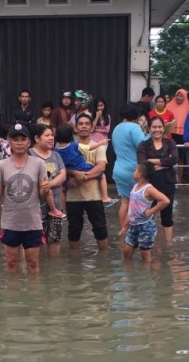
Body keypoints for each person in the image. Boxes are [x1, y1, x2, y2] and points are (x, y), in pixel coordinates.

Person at [0, 122, 49, 273]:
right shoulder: (1, 165)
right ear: (9, 142)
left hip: (32, 222)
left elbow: (42, 193)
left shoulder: (39, 163)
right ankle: (11, 296)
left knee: (33, 263)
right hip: (10, 222)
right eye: (15, 139)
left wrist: (46, 189)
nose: (19, 143)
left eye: (23, 139)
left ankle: (34, 294)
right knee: (11, 263)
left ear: (29, 142)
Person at [65, 114, 109, 251]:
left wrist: (80, 176)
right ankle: (74, 263)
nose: (84, 126)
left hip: (94, 195)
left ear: (92, 127)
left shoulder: (98, 147)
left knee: (100, 228)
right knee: (73, 230)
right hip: (73, 196)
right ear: (76, 128)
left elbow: (101, 168)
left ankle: (104, 261)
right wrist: (73, 173)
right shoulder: (68, 147)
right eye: (81, 124)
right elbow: (61, 168)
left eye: (87, 124)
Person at [137, 117, 179, 243]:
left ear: (163, 128)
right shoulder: (144, 145)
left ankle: (168, 245)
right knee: (148, 213)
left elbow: (174, 159)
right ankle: (148, 242)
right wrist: (164, 163)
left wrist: (152, 161)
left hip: (167, 182)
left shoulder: (170, 143)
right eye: (154, 127)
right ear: (149, 129)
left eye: (159, 127)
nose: (157, 130)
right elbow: (142, 164)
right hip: (150, 185)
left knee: (167, 215)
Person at [120, 162, 169, 264]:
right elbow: (131, 208)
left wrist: (151, 211)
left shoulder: (148, 189)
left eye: (135, 170)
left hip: (145, 226)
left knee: (145, 256)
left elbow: (165, 200)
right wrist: (125, 225)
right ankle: (129, 275)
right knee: (126, 252)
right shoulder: (134, 187)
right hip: (133, 225)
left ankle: (147, 277)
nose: (133, 172)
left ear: (140, 174)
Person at [30, 124, 67, 256]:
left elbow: (63, 175)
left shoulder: (56, 155)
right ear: (36, 138)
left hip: (55, 206)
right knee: (34, 241)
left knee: (55, 239)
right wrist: (43, 187)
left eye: (52, 135)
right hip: (35, 207)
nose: (51, 138)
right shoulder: (30, 154)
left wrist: (49, 185)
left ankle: (53, 273)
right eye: (47, 135)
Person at [111, 103, 145, 234]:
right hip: (133, 171)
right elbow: (142, 147)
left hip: (118, 169)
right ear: (136, 116)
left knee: (124, 202)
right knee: (138, 202)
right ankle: (136, 230)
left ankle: (123, 231)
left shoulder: (116, 128)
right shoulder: (135, 128)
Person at [165, 88, 189, 181]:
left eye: (181, 96)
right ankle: (168, 178)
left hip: (183, 135)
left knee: (181, 158)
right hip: (170, 134)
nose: (179, 97)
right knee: (168, 157)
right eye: (177, 95)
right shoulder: (168, 106)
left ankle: (179, 180)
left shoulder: (188, 108)